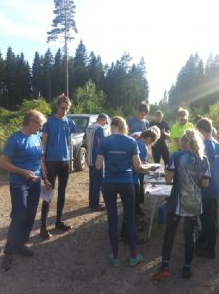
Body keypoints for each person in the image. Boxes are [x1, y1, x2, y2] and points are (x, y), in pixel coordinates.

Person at [95, 116, 159, 267]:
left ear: (112, 126)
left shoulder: (104, 141)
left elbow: (98, 166)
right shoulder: (131, 141)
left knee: (112, 220)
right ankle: (133, 256)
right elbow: (138, 167)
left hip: (109, 182)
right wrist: (151, 166)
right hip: (127, 182)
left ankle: (115, 256)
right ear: (124, 127)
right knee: (130, 219)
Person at [152, 129, 210, 282]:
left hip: (178, 201)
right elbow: (205, 183)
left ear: (183, 142)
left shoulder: (177, 156)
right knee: (189, 235)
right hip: (194, 202)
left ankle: (164, 266)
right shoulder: (204, 159)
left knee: (170, 233)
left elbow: (169, 180)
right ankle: (187, 267)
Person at [0, 110, 49, 271]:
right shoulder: (15, 140)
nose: (41, 128)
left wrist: (45, 178)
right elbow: (3, 163)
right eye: (39, 124)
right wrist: (23, 172)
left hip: (35, 183)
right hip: (19, 183)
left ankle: (21, 244)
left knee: (30, 215)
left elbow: (39, 159)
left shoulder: (36, 138)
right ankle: (8, 253)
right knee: (19, 216)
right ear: (30, 122)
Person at [40, 94, 77, 240]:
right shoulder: (49, 122)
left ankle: (58, 222)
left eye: (67, 109)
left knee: (62, 192)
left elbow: (70, 141)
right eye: (62, 108)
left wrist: (72, 159)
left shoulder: (69, 122)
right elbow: (44, 142)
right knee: (49, 193)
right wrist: (42, 159)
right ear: (57, 106)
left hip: (65, 161)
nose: (64, 111)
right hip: (51, 161)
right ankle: (43, 227)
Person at [195, 118, 219, 259]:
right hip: (216, 186)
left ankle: (210, 250)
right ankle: (203, 240)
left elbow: (203, 170)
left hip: (207, 188)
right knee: (209, 217)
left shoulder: (205, 146)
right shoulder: (218, 144)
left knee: (207, 219)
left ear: (201, 131)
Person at [86, 113, 108, 211]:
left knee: (92, 181)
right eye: (105, 122)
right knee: (97, 181)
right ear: (102, 120)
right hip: (97, 158)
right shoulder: (99, 128)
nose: (104, 124)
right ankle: (95, 203)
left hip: (89, 157)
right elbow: (104, 143)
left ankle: (92, 201)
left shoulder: (89, 127)